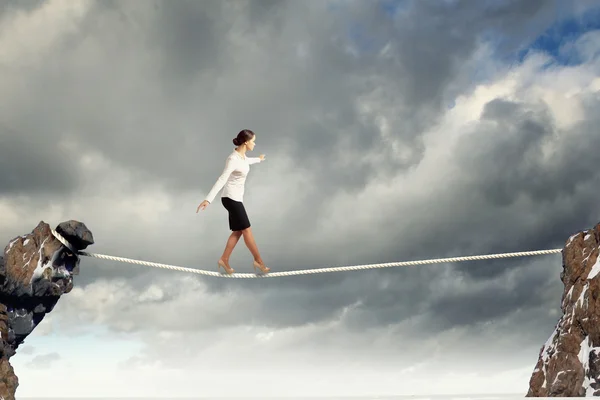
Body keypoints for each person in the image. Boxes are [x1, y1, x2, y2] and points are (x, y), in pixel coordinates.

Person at [196, 129, 270, 275]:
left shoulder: (242, 157)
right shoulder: (233, 159)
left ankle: (224, 259)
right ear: (246, 142)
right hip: (231, 199)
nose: (254, 144)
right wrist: (208, 199)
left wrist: (259, 159)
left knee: (238, 231)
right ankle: (259, 261)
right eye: (253, 141)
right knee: (247, 229)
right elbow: (222, 179)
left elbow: (247, 161)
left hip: (235, 198)